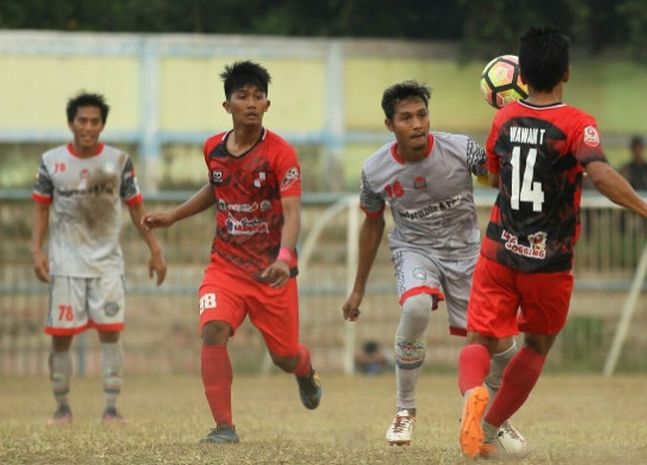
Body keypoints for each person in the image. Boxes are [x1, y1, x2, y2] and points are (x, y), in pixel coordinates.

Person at [456, 27, 647, 459]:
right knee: (537, 346)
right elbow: (599, 174)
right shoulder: (577, 123)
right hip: (549, 262)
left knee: (479, 340)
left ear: (520, 75)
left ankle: (471, 395)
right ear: (567, 73)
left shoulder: (502, 119)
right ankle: (486, 428)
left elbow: (495, 176)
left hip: (499, 252)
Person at [141, 61, 321, 444]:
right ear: (228, 106)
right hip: (225, 266)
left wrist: (286, 259)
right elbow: (216, 187)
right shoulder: (213, 148)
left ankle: (305, 370)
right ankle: (225, 427)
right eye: (242, 96)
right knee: (213, 330)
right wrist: (173, 216)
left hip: (272, 271)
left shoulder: (281, 154)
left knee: (284, 357)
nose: (251, 103)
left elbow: (293, 213)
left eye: (258, 96)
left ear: (267, 105)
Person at [342, 81, 525, 450]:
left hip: (468, 254)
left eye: (422, 114)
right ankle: (405, 410)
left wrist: (511, 133)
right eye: (406, 118)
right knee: (416, 306)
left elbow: (497, 179)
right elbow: (373, 223)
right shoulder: (374, 171)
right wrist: (358, 287)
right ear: (389, 125)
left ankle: (490, 417)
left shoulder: (461, 148)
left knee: (505, 349)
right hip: (415, 250)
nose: (418, 124)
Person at [31, 92, 167, 425]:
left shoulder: (120, 162)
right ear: (71, 123)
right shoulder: (51, 161)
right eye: (82, 120)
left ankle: (111, 408)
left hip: (107, 266)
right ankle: (62, 408)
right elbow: (41, 209)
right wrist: (37, 251)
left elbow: (137, 210)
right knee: (61, 338)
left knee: (110, 333)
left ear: (102, 125)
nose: (88, 127)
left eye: (95, 121)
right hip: (65, 266)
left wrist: (155, 249)